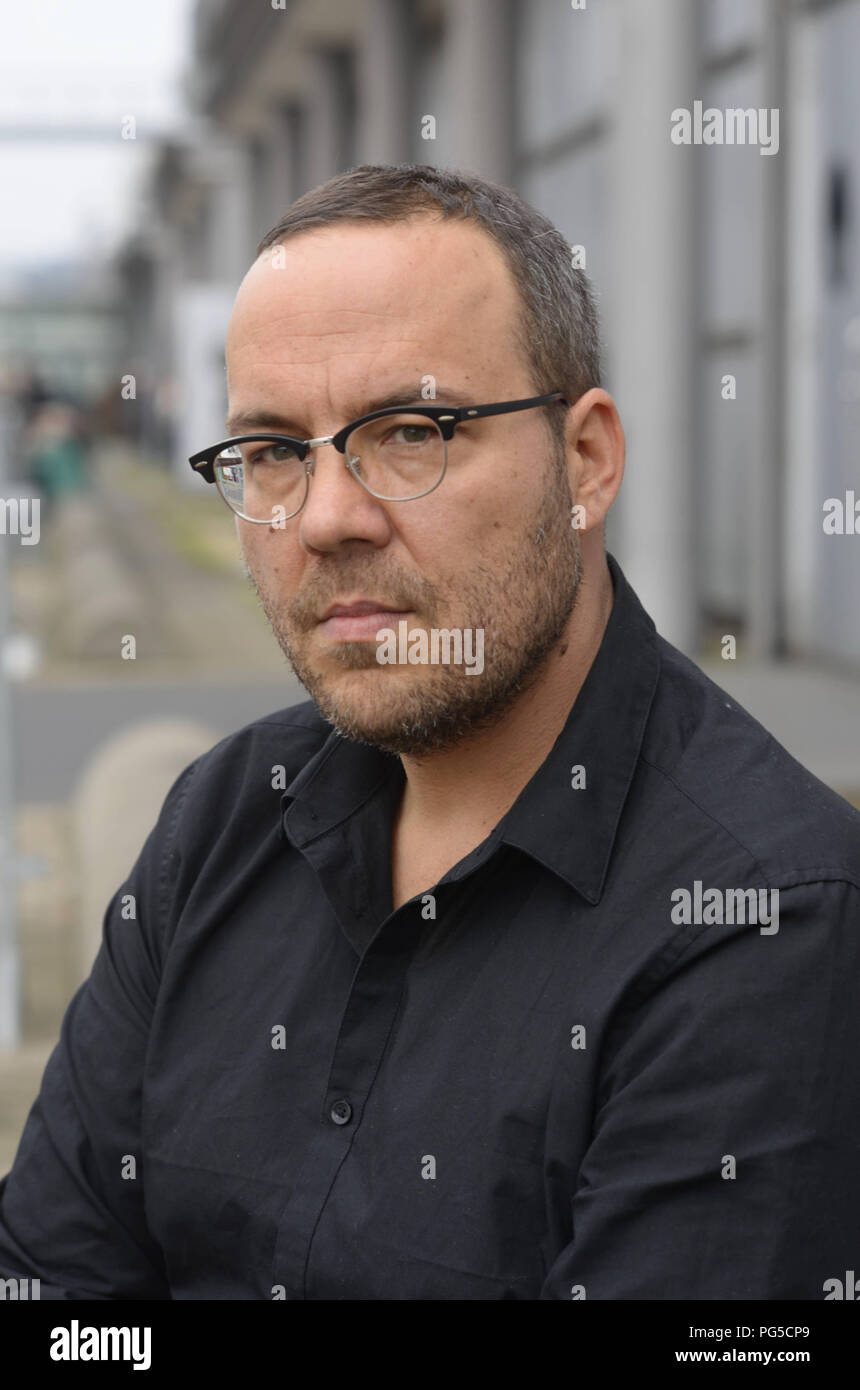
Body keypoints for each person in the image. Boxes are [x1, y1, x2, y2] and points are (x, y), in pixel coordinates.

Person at [1, 163, 858, 1300]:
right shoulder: (215, 823)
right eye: (272, 452)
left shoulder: (762, 919)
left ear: (583, 462)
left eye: (409, 431)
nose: (323, 520)